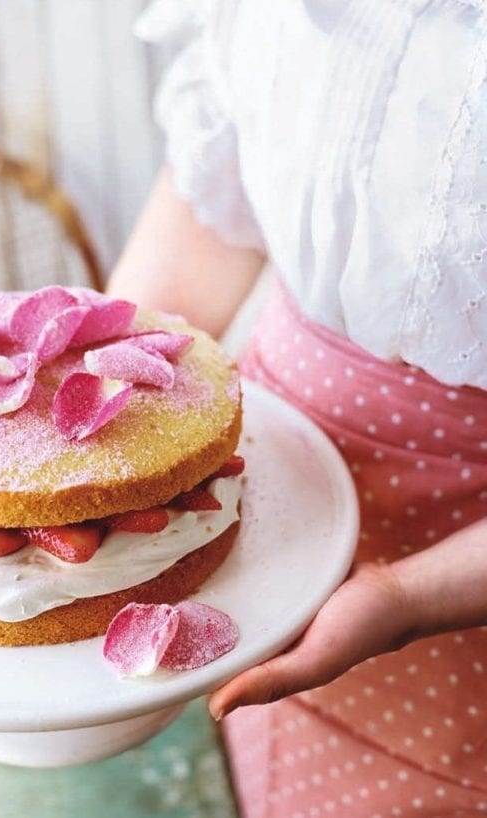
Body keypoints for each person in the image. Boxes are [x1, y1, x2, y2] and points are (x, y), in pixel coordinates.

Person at [107, 2, 487, 815]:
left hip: (458, 584)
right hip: (262, 517)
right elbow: (219, 196)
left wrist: (408, 598)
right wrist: (106, 392)